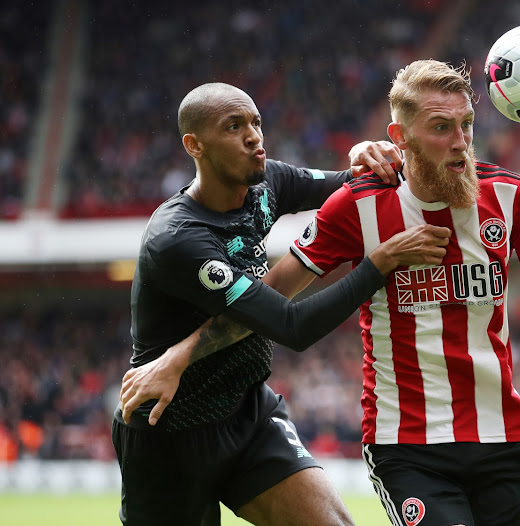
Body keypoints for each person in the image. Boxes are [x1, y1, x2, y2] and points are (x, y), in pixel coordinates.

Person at [124, 62, 520, 526]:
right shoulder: (342, 212)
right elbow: (278, 311)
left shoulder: (508, 196)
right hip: (399, 445)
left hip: (499, 437)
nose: (460, 141)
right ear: (404, 136)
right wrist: (183, 354)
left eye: (466, 125)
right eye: (441, 128)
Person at [113, 81, 451, 526]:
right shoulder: (179, 239)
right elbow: (291, 326)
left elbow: (352, 187)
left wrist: (369, 157)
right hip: (169, 429)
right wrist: (379, 264)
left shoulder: (266, 182)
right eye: (234, 127)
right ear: (194, 145)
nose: (254, 136)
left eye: (255, 122)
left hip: (247, 411)